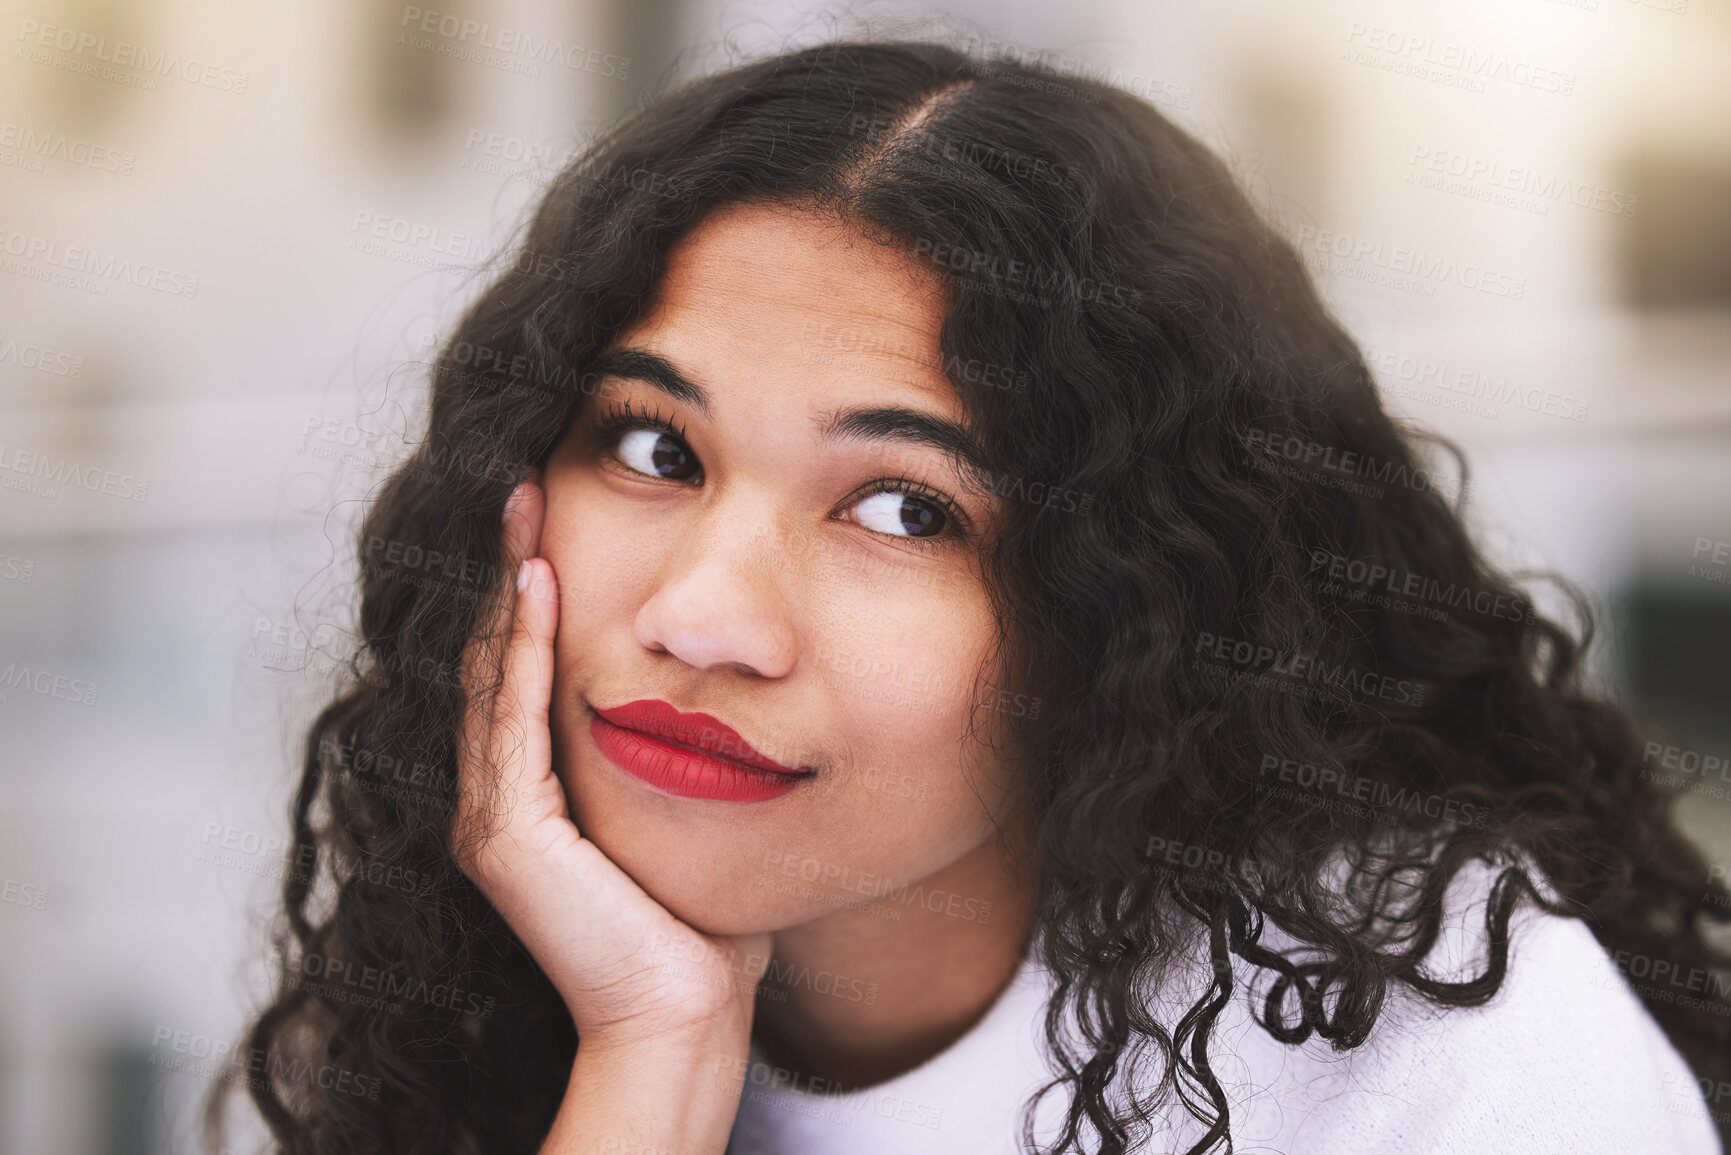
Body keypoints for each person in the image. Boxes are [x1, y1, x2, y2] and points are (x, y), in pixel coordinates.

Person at [220, 40, 1731, 1155]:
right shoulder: (458, 1017)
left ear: (1121, 607)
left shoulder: (1441, 1047)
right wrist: (650, 1055)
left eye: (903, 509)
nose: (703, 618)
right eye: (654, 446)